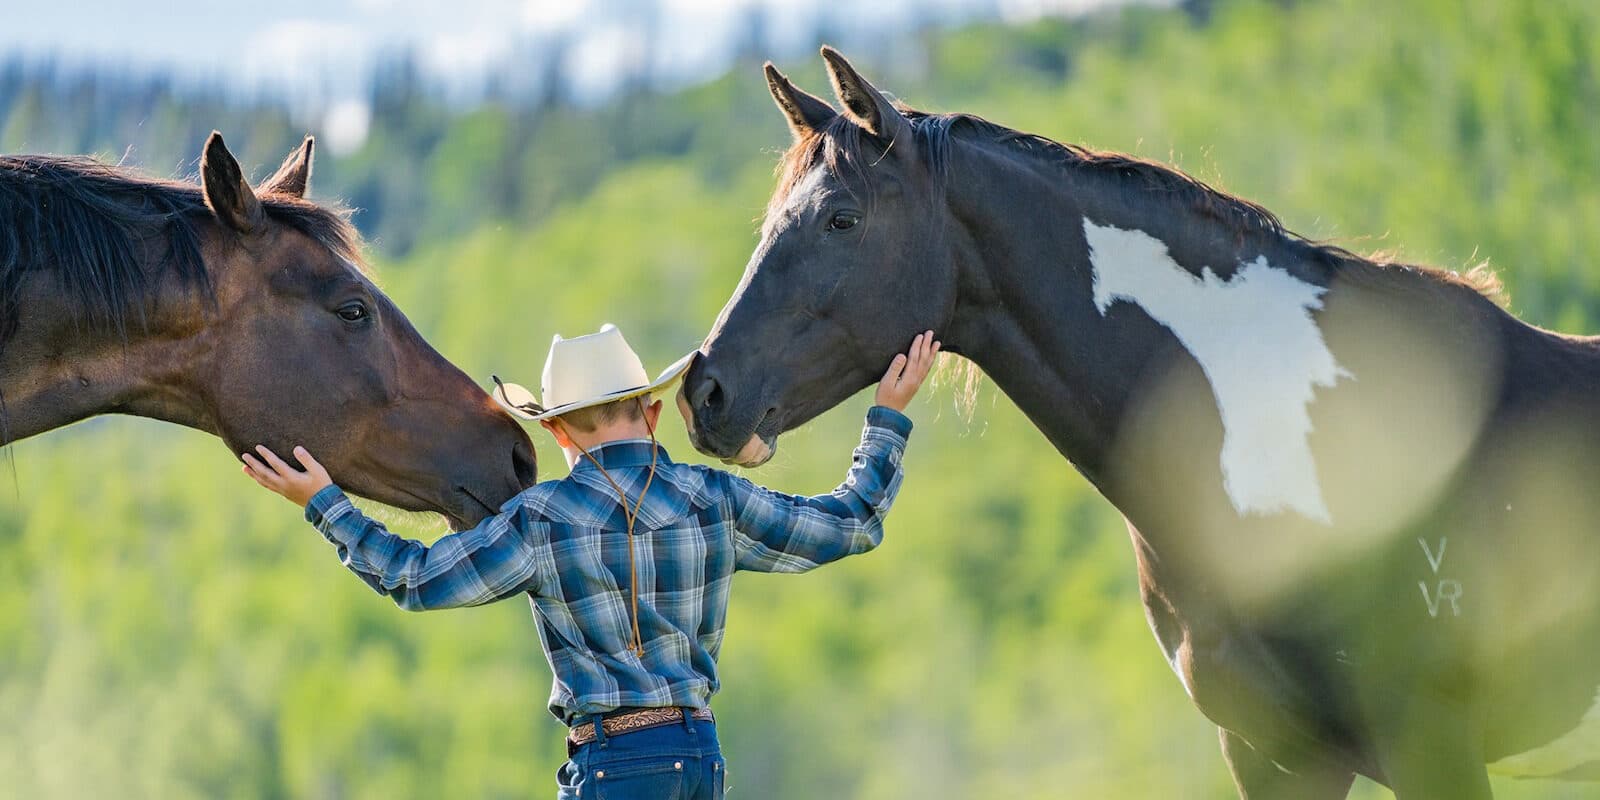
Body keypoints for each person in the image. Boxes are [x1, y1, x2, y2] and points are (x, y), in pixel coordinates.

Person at [242, 323, 940, 800]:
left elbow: (415, 579)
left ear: (554, 431)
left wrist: (325, 502)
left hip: (616, 763)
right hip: (700, 756)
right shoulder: (714, 497)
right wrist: (888, 415)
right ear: (652, 413)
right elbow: (852, 524)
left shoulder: (543, 518)